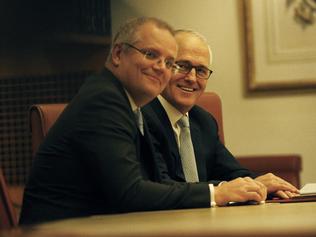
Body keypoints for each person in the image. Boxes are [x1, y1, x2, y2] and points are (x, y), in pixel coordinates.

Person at [19, 18, 266, 226]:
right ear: (117, 53)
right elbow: (130, 193)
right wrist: (217, 192)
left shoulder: (126, 102)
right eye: (151, 55)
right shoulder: (105, 100)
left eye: (169, 62)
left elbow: (158, 184)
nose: (161, 68)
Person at [142, 30, 299, 202]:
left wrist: (260, 184)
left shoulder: (203, 121)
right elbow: (163, 186)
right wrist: (222, 189)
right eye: (183, 66)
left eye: (201, 70)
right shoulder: (143, 116)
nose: (192, 78)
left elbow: (233, 172)